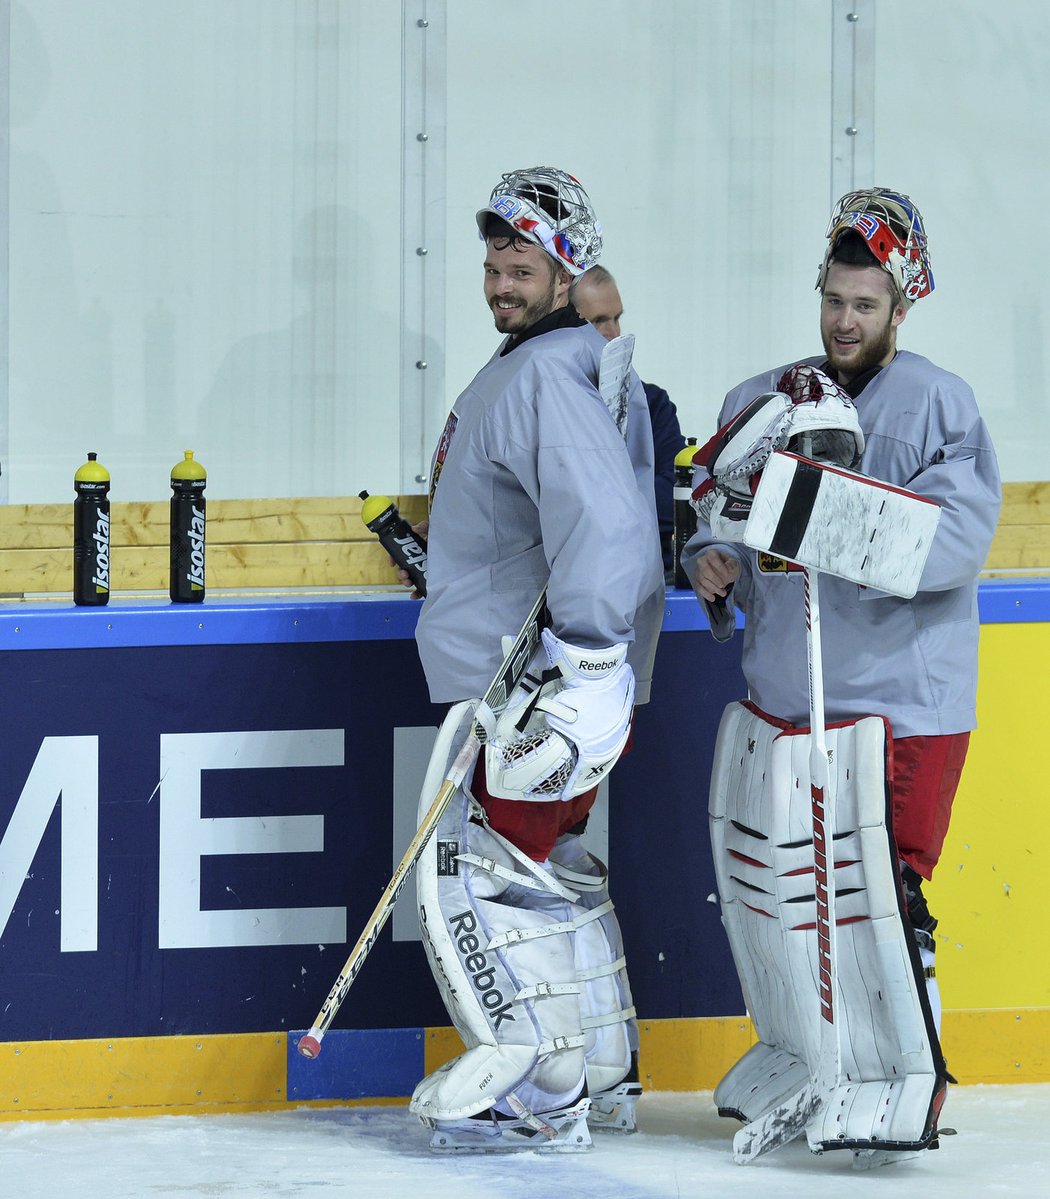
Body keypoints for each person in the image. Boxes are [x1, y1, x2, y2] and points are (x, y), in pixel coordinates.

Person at [684, 188, 1001, 1161]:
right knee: (788, 897)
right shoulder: (763, 397)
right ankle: (809, 1053)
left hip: (904, 703)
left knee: (887, 895)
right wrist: (710, 552)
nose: (844, 320)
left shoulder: (942, 401)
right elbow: (705, 503)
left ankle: (912, 1076)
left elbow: (952, 541)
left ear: (901, 306)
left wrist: (814, 510)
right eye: (833, 298)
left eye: (865, 304)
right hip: (788, 699)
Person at [405, 167, 665, 1151]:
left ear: (569, 271)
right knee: (546, 873)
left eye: (522, 265)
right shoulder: (558, 365)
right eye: (493, 263)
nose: (501, 281)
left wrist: (589, 671)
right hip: (536, 687)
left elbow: (606, 528)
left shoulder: (551, 374)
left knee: (478, 875)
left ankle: (538, 1084)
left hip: (529, 700)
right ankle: (598, 1073)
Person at [570, 265, 684, 575]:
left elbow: (675, 498)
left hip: (644, 582)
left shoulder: (652, 405)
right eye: (598, 322)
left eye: (617, 318)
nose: (613, 333)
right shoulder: (546, 408)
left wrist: (588, 511)